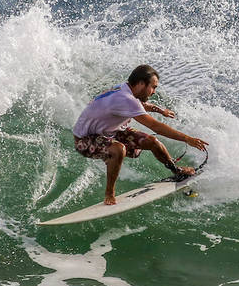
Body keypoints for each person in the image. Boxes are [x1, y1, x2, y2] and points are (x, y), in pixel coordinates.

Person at [73, 64, 208, 205]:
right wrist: (187, 138)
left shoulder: (124, 89)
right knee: (119, 149)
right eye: (153, 87)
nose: (154, 92)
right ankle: (109, 194)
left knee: (152, 141)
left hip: (110, 132)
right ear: (141, 84)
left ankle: (176, 170)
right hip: (84, 141)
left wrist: (160, 110)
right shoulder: (126, 99)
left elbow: (140, 104)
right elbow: (156, 126)